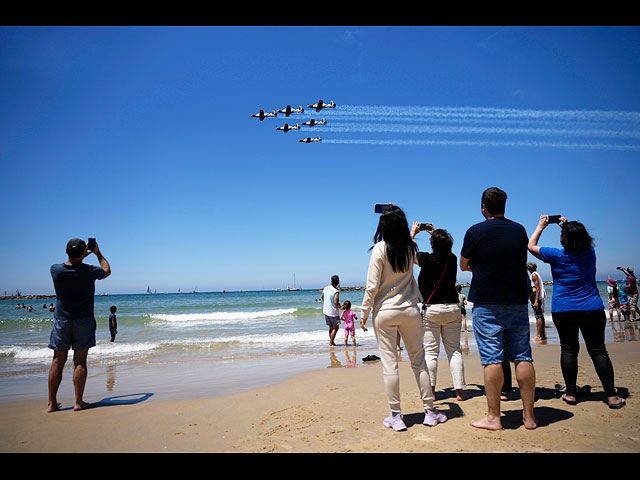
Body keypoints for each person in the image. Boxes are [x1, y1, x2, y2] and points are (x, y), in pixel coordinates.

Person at [361, 205, 446, 431]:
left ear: (382, 226)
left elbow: (371, 287)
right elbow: (406, 249)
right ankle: (430, 412)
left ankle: (396, 416)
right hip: (409, 310)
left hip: (385, 312)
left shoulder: (379, 249)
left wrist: (364, 313)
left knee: (390, 365)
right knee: (419, 362)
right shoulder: (411, 248)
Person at [460, 187, 537, 430]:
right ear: (504, 206)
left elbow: (464, 265)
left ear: (484, 206)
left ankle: (494, 417)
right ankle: (529, 417)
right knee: (523, 356)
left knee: (492, 359)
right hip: (516, 301)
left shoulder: (475, 231)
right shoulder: (519, 230)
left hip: (487, 302)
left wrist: (482, 266)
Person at [528, 215, 625, 409]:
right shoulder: (590, 253)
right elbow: (577, 239)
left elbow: (531, 245)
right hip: (592, 308)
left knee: (569, 349)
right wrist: (566, 227)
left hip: (564, 310)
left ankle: (571, 393)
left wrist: (542, 225)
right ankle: (612, 396)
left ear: (563, 238)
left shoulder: (556, 255)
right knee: (598, 350)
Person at [48, 238, 111, 412]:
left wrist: (81, 255)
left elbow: (70, 263)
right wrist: (97, 253)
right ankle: (78, 402)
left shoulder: (56, 270)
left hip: (62, 320)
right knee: (80, 361)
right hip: (84, 320)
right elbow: (107, 270)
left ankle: (52, 403)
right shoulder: (89, 271)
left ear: (66, 251)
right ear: (84, 252)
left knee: (57, 361)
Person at [411, 222, 467, 402]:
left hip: (432, 310)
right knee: (454, 351)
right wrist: (435, 234)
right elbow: (442, 247)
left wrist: (412, 233)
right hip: (452, 308)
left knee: (431, 352)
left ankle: (432, 392)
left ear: (432, 244)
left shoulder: (426, 259)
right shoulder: (451, 259)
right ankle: (460, 391)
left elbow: (407, 252)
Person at [527, 262, 547, 342]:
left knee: (538, 316)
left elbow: (537, 288)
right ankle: (542, 335)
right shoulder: (536, 274)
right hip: (535, 296)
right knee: (540, 315)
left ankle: (538, 336)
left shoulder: (534, 275)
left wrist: (535, 301)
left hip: (535, 296)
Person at [321, 275, 341, 347]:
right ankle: (331, 342)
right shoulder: (336, 291)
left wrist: (326, 303)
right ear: (338, 282)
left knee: (330, 327)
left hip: (326, 311)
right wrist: (340, 307)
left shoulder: (326, 288)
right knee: (336, 328)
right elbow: (336, 302)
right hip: (333, 312)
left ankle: (332, 342)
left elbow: (322, 297)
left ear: (331, 281)